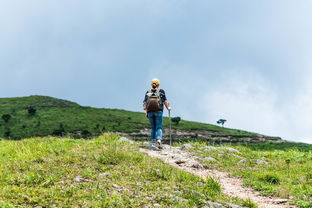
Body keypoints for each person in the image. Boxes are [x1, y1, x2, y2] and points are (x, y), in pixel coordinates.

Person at [143, 78, 171, 150]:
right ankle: (159, 140)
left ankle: (153, 142)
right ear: (158, 84)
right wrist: (168, 108)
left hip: (150, 112)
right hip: (159, 111)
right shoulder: (161, 91)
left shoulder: (148, 92)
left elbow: (145, 103)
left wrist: (146, 112)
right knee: (159, 127)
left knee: (153, 127)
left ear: (151, 84)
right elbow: (164, 101)